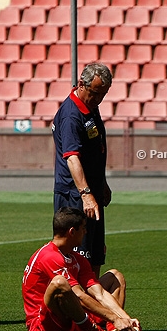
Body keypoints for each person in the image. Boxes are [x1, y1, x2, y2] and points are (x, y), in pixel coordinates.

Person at [22, 207, 141, 331]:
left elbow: (99, 293)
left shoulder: (76, 258)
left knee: (114, 276)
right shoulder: (49, 256)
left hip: (72, 316)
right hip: (43, 326)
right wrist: (115, 317)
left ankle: (116, 330)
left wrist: (125, 319)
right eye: (83, 228)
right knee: (60, 283)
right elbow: (78, 295)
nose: (86, 232)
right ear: (72, 231)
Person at [52, 63, 113, 278]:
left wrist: (101, 183)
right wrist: (86, 194)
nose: (99, 99)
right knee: (78, 258)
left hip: (91, 191)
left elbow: (94, 150)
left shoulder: (90, 107)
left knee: (95, 256)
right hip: (74, 195)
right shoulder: (71, 115)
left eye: (103, 94)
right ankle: (74, 309)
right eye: (95, 93)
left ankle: (92, 311)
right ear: (81, 84)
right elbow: (72, 158)